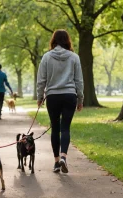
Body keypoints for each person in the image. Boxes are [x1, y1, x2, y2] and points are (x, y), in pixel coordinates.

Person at [36, 29, 84, 173]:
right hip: (69, 95)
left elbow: (41, 80)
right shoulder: (74, 57)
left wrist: (40, 97)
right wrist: (80, 98)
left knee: (55, 128)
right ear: (67, 40)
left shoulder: (46, 57)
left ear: (53, 41)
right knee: (65, 128)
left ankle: (56, 162)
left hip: (53, 96)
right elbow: (79, 81)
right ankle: (64, 156)